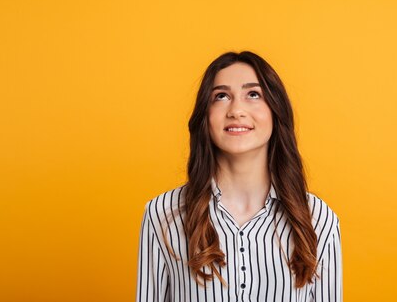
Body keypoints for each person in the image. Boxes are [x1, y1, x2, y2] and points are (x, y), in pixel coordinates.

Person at [136, 51, 342, 302]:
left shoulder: (318, 219)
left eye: (253, 94)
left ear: (276, 111)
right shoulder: (163, 215)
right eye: (221, 96)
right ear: (205, 116)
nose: (236, 110)